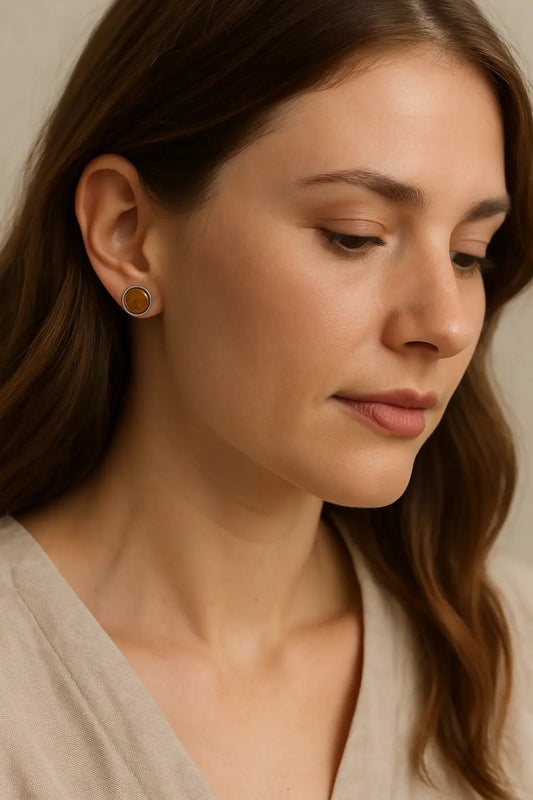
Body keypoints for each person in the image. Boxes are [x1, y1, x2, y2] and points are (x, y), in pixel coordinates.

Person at [0, 0, 532, 798]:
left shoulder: (510, 654)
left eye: (468, 254)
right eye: (354, 235)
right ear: (127, 233)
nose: (447, 324)